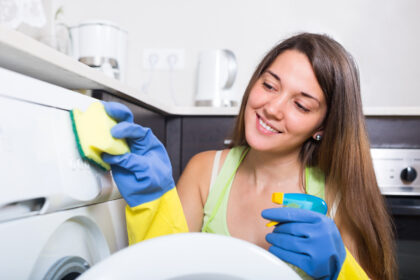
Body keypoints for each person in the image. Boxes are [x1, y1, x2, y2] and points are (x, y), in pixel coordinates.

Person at [101, 33, 396, 280]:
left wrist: (340, 270)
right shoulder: (205, 173)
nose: (272, 108)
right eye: (269, 85)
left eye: (301, 105)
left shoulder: (337, 200)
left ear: (322, 127)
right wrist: (152, 203)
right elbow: (163, 270)